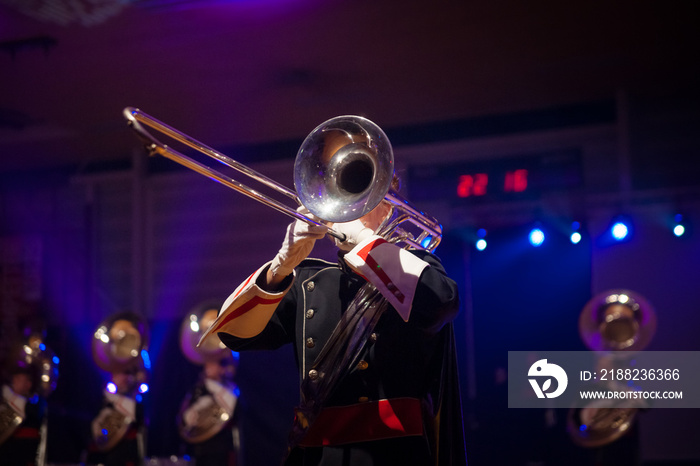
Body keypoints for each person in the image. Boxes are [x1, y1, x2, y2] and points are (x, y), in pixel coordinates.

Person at [200, 177, 467, 465]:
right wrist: (279, 268)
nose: (349, 209)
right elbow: (233, 334)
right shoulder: (307, 279)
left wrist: (366, 243)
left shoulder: (415, 266)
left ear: (389, 210)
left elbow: (441, 302)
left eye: (365, 199)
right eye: (343, 199)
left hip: (394, 453)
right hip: (319, 454)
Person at [178, 355, 241, 466]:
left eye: (212, 364)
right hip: (200, 448)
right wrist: (190, 415)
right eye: (206, 365)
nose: (207, 367)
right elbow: (185, 416)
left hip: (221, 448)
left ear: (221, 369)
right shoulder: (198, 390)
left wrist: (214, 386)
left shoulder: (229, 388)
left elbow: (235, 408)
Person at [0, 365, 46, 466]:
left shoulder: (37, 403)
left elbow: (31, 410)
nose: (14, 380)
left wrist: (11, 396)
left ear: (28, 384)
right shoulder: (4, 400)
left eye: (19, 378)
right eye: (14, 378)